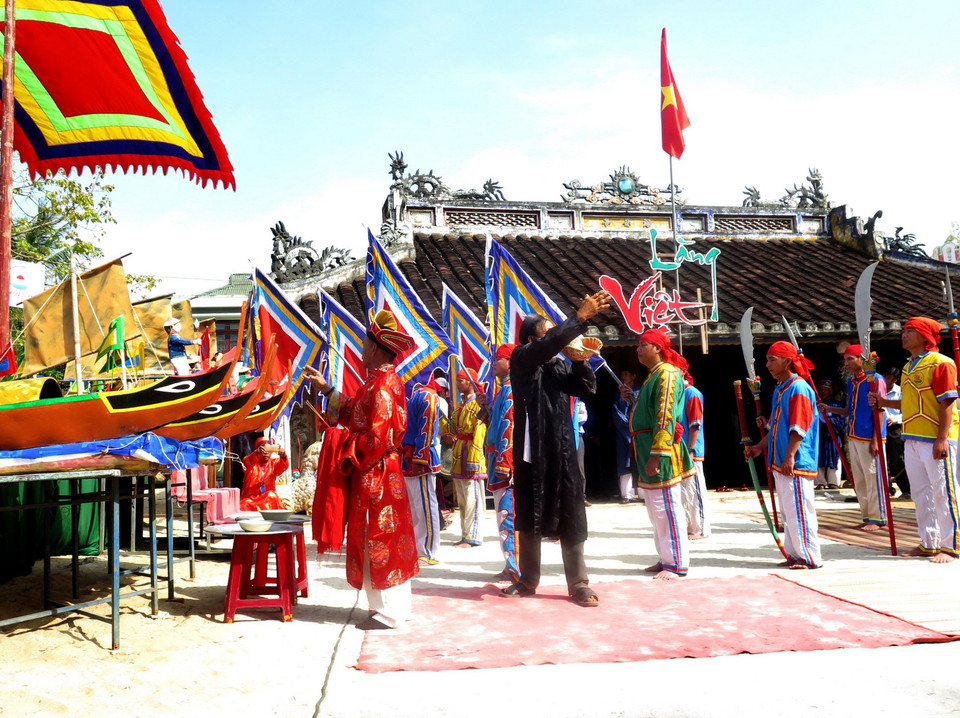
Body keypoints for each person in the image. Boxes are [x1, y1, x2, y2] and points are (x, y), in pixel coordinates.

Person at [304, 309, 419, 629]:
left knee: (378, 538)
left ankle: (390, 612)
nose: (362, 350)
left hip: (377, 473)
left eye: (366, 344)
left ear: (379, 348)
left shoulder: (381, 386)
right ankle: (389, 608)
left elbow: (377, 437)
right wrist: (328, 389)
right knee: (384, 538)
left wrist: (344, 447)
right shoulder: (380, 382)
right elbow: (356, 412)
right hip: (382, 471)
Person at [500, 289, 611, 607]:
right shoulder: (522, 360)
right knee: (530, 515)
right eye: (548, 332)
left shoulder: (558, 367)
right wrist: (578, 318)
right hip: (531, 452)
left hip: (563, 450)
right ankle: (528, 579)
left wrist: (580, 363)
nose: (555, 339)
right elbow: (550, 344)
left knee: (572, 514)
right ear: (532, 338)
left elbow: (587, 389)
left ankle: (579, 583)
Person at [870, 317, 959, 563]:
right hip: (912, 437)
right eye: (904, 330)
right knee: (921, 493)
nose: (904, 334)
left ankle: (952, 546)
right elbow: (908, 403)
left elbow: (947, 402)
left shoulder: (941, 363)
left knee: (944, 492)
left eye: (910, 331)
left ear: (924, 336)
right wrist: (884, 403)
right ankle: (929, 542)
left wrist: (942, 439)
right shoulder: (909, 365)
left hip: (936, 438)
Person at [625, 329, 695, 579]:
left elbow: (665, 417)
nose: (638, 348)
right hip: (647, 448)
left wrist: (658, 454)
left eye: (644, 344)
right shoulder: (653, 376)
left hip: (660, 450)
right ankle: (666, 557)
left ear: (657, 348)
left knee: (667, 507)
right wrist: (633, 400)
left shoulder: (666, 374)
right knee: (656, 509)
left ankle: (676, 562)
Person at [747, 341, 822, 569]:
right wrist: (761, 446)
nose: (767, 364)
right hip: (781, 459)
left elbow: (798, 427)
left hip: (796, 460)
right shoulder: (782, 389)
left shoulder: (798, 388)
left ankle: (809, 557)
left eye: (772, 359)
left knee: (800, 509)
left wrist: (790, 455)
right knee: (789, 511)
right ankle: (795, 553)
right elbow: (776, 428)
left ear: (787, 361)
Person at [818, 345, 888, 532]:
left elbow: (880, 410)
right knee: (859, 479)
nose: (846, 363)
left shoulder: (876, 380)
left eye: (850, 359)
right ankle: (867, 516)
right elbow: (850, 410)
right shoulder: (852, 382)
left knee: (874, 477)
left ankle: (878, 517)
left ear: (861, 359)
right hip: (854, 435)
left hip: (869, 437)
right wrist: (830, 409)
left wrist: (875, 439)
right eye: (845, 359)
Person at [477, 343, 519, 582]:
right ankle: (509, 562)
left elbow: (509, 428)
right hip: (496, 459)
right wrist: (486, 407)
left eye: (498, 359)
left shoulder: (512, 390)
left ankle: (516, 567)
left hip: (505, 463)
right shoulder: (502, 390)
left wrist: (505, 463)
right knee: (502, 516)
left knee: (508, 514)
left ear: (509, 363)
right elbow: (496, 422)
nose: (494, 363)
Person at [400, 373, 443, 565]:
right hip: (407, 456)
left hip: (420, 457)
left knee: (425, 505)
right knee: (413, 507)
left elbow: (427, 430)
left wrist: (421, 456)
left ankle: (428, 550)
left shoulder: (428, 395)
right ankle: (416, 548)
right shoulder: (411, 394)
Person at [442, 368, 487, 547]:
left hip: (470, 453)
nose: (457, 384)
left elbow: (479, 432)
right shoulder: (461, 404)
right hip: (459, 452)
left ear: (469, 382)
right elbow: (454, 429)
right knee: (462, 498)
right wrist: (447, 429)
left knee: (472, 496)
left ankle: (473, 536)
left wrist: (474, 459)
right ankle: (466, 534)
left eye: (460, 381)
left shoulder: (476, 404)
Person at [680, 369, 711, 540]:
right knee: (685, 491)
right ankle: (689, 526)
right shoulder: (677, 393)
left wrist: (691, 449)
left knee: (695, 490)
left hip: (691, 450)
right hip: (680, 450)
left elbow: (695, 424)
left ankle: (700, 528)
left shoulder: (692, 393)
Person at [613, 369, 641, 504]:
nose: (623, 377)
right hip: (624, 434)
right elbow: (617, 414)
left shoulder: (640, 392)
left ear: (633, 375)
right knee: (625, 463)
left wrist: (636, 426)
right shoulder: (617, 395)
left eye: (626, 374)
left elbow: (642, 410)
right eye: (622, 374)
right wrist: (628, 427)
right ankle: (627, 494)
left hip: (639, 433)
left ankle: (643, 493)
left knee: (641, 462)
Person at [239, 438, 289, 511]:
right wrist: (256, 453)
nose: (266, 452)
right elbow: (247, 462)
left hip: (266, 498)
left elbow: (283, 466)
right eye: (264, 449)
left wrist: (283, 456)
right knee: (244, 504)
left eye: (269, 450)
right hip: (251, 498)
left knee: (272, 496)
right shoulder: (252, 462)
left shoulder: (274, 463)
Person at [815, 377, 845, 490]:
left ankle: (833, 482)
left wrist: (828, 418)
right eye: (821, 389)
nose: (823, 392)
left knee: (835, 456)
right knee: (819, 456)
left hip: (832, 435)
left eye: (825, 389)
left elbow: (840, 420)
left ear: (830, 391)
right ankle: (820, 481)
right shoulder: (817, 404)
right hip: (821, 435)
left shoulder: (836, 405)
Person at [883, 367, 908, 499]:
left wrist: (895, 419)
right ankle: (886, 488)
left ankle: (906, 489)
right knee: (882, 459)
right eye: (888, 378)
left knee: (897, 458)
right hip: (880, 428)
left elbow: (906, 410)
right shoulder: (877, 388)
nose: (889, 381)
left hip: (894, 428)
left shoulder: (899, 391)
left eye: (893, 379)